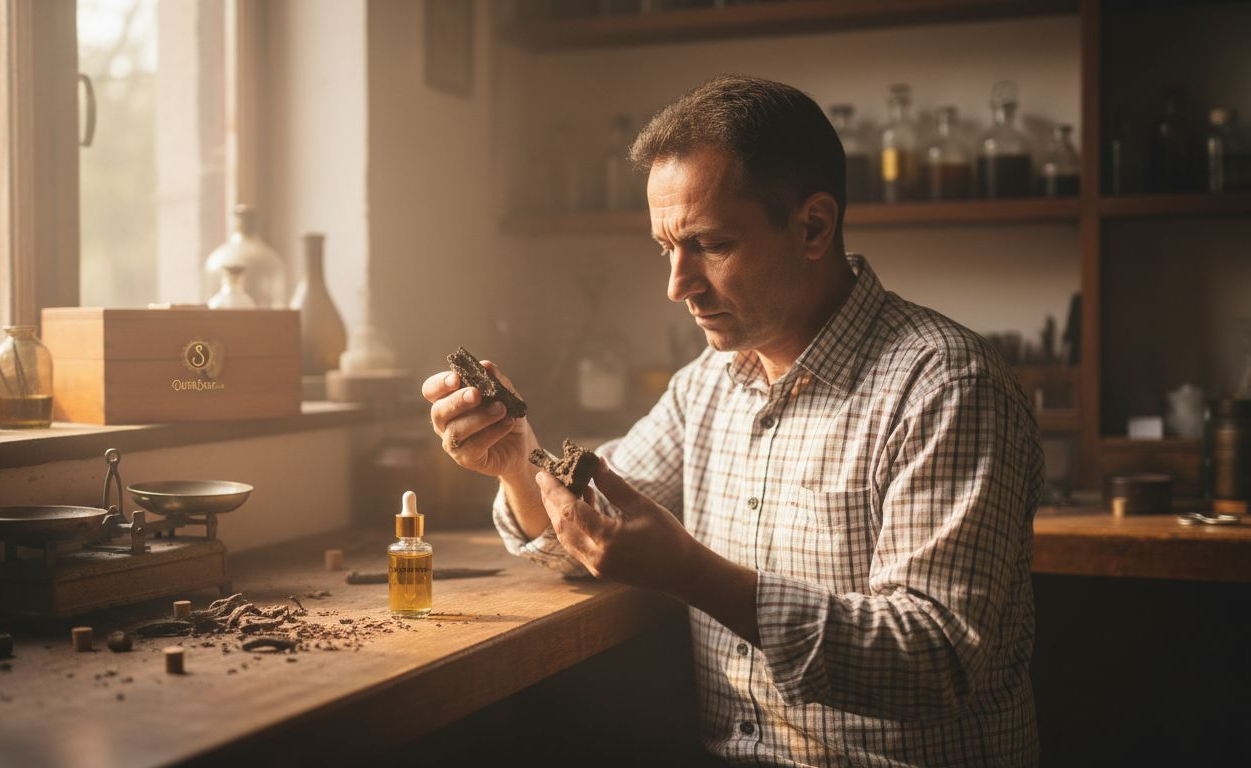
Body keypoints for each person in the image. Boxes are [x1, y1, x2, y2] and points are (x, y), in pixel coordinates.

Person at [423, 74, 1041, 767]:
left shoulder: (945, 384)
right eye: (667, 248)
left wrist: (695, 574)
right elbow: (589, 529)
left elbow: (940, 659)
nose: (677, 285)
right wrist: (517, 460)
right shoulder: (709, 384)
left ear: (812, 227)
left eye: (709, 245)